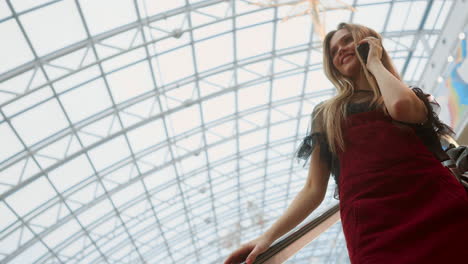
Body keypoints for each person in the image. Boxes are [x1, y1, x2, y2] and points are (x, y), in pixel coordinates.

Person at [224, 22, 468, 264]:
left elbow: (400, 107)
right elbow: (313, 189)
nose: (340, 50)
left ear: (369, 42)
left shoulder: (406, 95)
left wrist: (373, 62)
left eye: (347, 40)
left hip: (439, 206)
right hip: (373, 230)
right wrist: (266, 238)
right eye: (333, 51)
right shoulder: (326, 114)